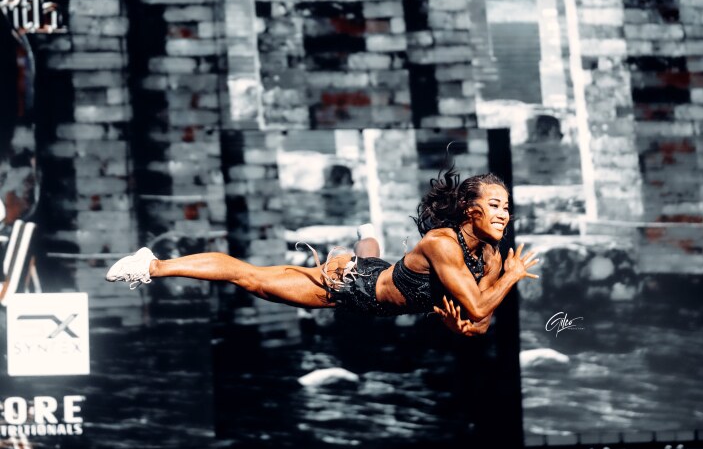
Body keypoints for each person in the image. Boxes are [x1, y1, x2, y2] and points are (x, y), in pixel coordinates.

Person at [105, 159, 539, 337]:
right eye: (494, 205)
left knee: (371, 256)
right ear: (469, 209)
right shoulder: (441, 244)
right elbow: (478, 306)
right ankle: (153, 265)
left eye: (506, 207)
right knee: (250, 277)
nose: (504, 214)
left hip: (378, 278)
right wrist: (512, 278)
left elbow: (479, 323)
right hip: (350, 287)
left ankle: (365, 233)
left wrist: (461, 328)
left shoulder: (489, 256)